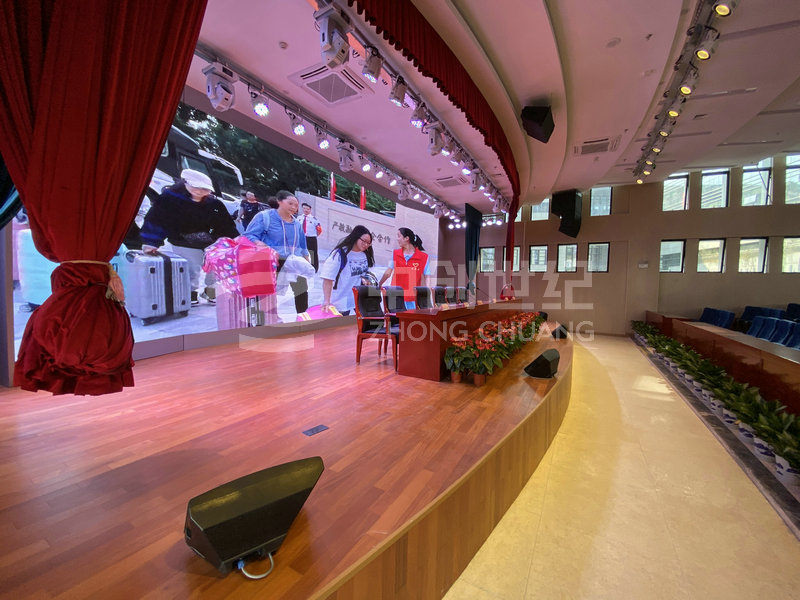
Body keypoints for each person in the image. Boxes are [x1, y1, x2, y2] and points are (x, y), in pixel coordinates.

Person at [140, 169, 238, 306]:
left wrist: (235, 240)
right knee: (191, 269)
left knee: (218, 266)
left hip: (211, 240)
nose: (199, 191)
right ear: (185, 183)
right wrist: (151, 242)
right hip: (182, 239)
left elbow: (226, 224)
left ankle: (211, 292)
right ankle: (190, 293)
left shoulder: (214, 204)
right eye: (195, 187)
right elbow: (156, 220)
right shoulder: (169, 199)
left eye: (204, 189)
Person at [244, 190, 311, 314]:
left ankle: (303, 318)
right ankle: (261, 319)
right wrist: (259, 243)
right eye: (290, 203)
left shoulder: (297, 224)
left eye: (296, 205)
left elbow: (302, 244)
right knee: (265, 293)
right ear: (279, 201)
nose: (294, 207)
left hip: (293, 261)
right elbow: (249, 235)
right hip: (271, 261)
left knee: (301, 290)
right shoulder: (265, 217)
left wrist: (306, 260)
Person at [319, 225, 374, 316]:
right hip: (337, 303)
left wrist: (365, 280)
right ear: (356, 237)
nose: (366, 245)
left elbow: (363, 274)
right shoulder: (340, 254)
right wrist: (326, 300)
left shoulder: (364, 255)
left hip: (353, 301)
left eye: (368, 243)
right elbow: (328, 278)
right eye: (364, 241)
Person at [378, 227, 430, 309]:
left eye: (399, 236)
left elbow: (427, 276)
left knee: (411, 317)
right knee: (395, 317)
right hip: (395, 296)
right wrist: (379, 284)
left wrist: (427, 293)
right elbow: (388, 272)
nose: (397, 239)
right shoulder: (396, 253)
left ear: (406, 238)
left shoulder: (424, 257)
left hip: (412, 298)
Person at [299, 202, 323, 271]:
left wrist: (314, 235)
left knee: (312, 252)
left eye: (307, 209)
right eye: (304, 208)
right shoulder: (299, 218)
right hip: (301, 238)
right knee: (301, 252)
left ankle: (314, 268)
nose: (306, 210)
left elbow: (319, 230)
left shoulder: (314, 219)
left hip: (311, 238)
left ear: (310, 210)